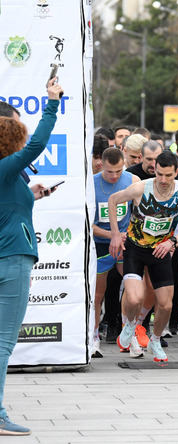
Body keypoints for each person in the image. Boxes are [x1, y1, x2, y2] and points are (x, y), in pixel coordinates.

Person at [0, 78, 63, 436]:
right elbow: (38, 143)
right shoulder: (8, 166)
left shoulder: (10, 176)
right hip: (12, 258)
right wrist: (52, 102)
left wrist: (31, 196)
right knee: (3, 343)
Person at [108, 151, 178, 362]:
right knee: (135, 297)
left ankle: (155, 340)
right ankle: (129, 325)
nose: (163, 180)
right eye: (159, 175)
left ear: (176, 172)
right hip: (135, 249)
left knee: (165, 304)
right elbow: (112, 200)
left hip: (161, 250)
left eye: (168, 175)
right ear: (154, 170)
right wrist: (115, 235)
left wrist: (172, 241)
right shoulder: (140, 188)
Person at [92, 148, 140, 359]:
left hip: (125, 241)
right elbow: (87, 224)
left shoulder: (133, 180)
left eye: (119, 171)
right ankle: (93, 337)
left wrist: (123, 236)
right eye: (110, 172)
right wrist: (112, 235)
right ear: (101, 165)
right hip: (100, 243)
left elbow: (139, 214)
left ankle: (130, 334)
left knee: (132, 292)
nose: (115, 176)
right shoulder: (91, 184)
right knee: (97, 293)